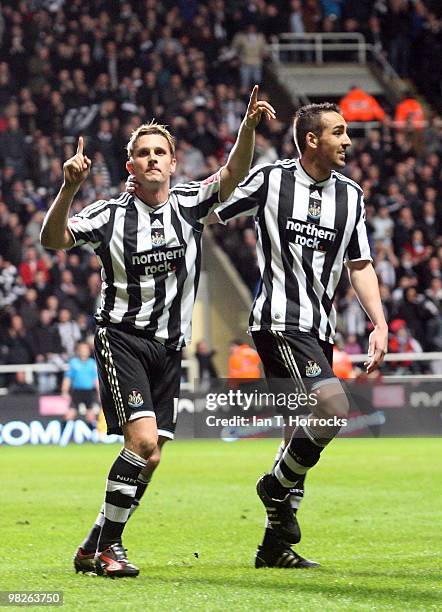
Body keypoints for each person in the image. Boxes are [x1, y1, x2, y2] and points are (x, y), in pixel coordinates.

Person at [40, 85, 275, 578]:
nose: (151, 160)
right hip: (121, 336)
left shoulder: (190, 202)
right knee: (142, 441)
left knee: (152, 458)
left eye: (159, 152)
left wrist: (248, 130)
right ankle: (110, 549)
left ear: (172, 163)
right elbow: (54, 239)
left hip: (170, 346)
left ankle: (92, 545)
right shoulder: (108, 215)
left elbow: (232, 174)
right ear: (130, 167)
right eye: (142, 153)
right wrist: (68, 189)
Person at [214, 102, 388, 569]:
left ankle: (273, 546)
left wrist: (380, 321)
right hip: (277, 322)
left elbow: (360, 264)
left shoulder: (351, 195)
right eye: (339, 131)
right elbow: (212, 205)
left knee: (299, 432)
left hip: (320, 326)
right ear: (312, 139)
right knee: (333, 407)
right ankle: (273, 486)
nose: (348, 140)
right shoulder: (271, 180)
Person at [61, 341, 99, 426]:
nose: (84, 351)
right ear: (78, 351)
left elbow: (96, 379)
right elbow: (68, 378)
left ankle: (92, 435)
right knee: (71, 413)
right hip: (77, 391)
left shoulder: (92, 363)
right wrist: (64, 391)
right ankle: (63, 433)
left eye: (86, 349)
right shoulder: (73, 363)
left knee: (91, 414)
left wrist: (100, 393)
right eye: (82, 349)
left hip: (89, 392)